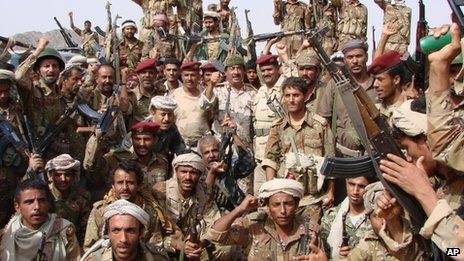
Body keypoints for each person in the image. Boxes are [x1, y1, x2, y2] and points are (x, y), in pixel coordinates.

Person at [263, 77, 335, 225]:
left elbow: (331, 160)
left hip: (313, 198)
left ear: (306, 96)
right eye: (287, 96)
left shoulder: (320, 125)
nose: (291, 100)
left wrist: (330, 191)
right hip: (286, 198)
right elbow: (271, 159)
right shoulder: (277, 127)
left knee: (311, 237)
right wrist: (272, 191)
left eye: (296, 95)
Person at [205, 178, 324, 260]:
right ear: (268, 206)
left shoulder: (310, 231)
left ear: (297, 205)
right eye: (276, 205)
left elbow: (319, 257)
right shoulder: (253, 226)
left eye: (288, 204)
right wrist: (240, 209)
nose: (283, 211)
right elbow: (213, 235)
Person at [84, 161, 178, 251]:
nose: (125, 188)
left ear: (139, 185)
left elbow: (156, 243)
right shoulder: (100, 210)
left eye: (130, 183)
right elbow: (90, 247)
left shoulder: (149, 210)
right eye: (120, 182)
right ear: (112, 185)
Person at [153, 153, 226, 260]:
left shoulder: (204, 192)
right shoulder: (160, 192)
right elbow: (152, 235)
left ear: (200, 174)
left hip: (196, 246)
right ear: (176, 172)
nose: (188, 177)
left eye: (193, 173)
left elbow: (213, 222)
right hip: (167, 247)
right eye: (183, 172)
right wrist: (178, 245)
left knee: (226, 249)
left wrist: (201, 243)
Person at [317, 39, 376, 157]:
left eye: (359, 56)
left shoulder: (377, 84)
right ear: (345, 60)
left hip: (375, 152)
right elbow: (322, 119)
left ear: (367, 57)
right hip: (343, 154)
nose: (354, 61)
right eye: (350, 57)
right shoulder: (335, 84)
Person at [0, 178, 81, 260]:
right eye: (29, 202)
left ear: (49, 203)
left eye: (42, 200)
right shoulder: (7, 234)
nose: (37, 207)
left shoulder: (64, 231)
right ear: (17, 206)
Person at [84, 121, 168, 197]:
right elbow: (92, 167)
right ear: (131, 139)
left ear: (155, 140)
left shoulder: (162, 161)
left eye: (147, 139)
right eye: (137, 139)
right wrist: (95, 140)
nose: (142, 144)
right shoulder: (118, 159)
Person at [347, 182, 425, 260]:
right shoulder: (369, 245)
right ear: (369, 218)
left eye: (392, 215)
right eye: (378, 216)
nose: (384, 222)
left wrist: (393, 221)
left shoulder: (418, 241)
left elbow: (406, 254)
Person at [424, 23, 464, 172]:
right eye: (449, 70)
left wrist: (439, 66)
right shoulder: (427, 102)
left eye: (458, 71)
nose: (454, 78)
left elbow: (448, 146)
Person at [81, 199, 169, 260]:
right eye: (116, 230)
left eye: (130, 231)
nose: (123, 239)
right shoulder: (94, 259)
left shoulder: (158, 258)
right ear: (108, 233)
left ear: (141, 232)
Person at [251, 54, 285, 196]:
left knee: (278, 193)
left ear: (277, 69)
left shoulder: (285, 87)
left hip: (277, 153)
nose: (266, 73)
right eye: (263, 70)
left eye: (269, 69)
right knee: (260, 194)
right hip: (259, 153)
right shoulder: (261, 91)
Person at [41, 154, 91, 245]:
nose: (63, 179)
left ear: (73, 176)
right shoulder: (43, 196)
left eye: (67, 175)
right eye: (58, 175)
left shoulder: (82, 198)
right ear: (51, 177)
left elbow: (85, 230)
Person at [198, 134, 255, 212]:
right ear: (201, 157)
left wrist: (234, 135)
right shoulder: (197, 175)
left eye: (214, 151)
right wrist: (212, 173)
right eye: (206, 153)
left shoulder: (226, 168)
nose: (211, 155)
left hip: (240, 211)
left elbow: (249, 165)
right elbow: (205, 198)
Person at [0, 69, 28, 227]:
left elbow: (22, 79)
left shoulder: (16, 108)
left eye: (5, 91)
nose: (3, 96)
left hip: (16, 172)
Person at [320, 177, 372, 259]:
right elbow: (323, 254)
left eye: (361, 186)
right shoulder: (331, 216)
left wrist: (357, 255)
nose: (355, 191)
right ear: (346, 183)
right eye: (352, 184)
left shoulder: (376, 218)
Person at [170, 61, 212, 148]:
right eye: (186, 75)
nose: (189, 78)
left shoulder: (206, 94)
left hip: (204, 146)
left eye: (193, 75)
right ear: (181, 76)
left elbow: (212, 118)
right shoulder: (173, 95)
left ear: (198, 77)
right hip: (180, 145)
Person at [368, 50, 408, 123]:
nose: (375, 84)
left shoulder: (410, 109)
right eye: (374, 79)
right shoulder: (376, 111)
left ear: (396, 80)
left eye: (380, 79)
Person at [149, 96, 188, 160]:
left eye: (169, 114)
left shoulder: (172, 128)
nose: (167, 119)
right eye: (163, 114)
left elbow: (179, 148)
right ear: (153, 112)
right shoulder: (143, 129)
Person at [129, 58, 164, 123]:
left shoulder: (162, 93)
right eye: (143, 72)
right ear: (138, 75)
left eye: (151, 72)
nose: (147, 75)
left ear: (156, 75)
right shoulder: (132, 96)